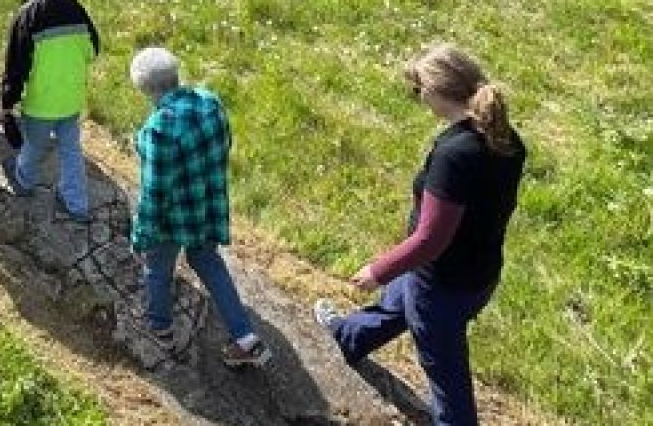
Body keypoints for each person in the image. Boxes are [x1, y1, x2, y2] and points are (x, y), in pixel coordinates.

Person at [314, 44, 526, 426]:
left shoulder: (455, 156)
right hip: (478, 271)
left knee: (447, 382)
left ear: (435, 92)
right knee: (397, 303)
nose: (418, 97)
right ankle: (348, 338)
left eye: (419, 90)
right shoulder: (505, 139)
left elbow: (431, 240)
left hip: (441, 283)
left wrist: (378, 270)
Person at [129, 47, 272, 369]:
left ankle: (159, 327)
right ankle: (246, 339)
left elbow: (153, 194)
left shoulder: (159, 129)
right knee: (209, 262)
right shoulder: (210, 101)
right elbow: (224, 145)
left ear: (146, 88)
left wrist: (140, 237)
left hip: (172, 216)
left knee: (157, 268)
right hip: (207, 203)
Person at [0, 0, 99, 222]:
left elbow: (15, 67)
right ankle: (76, 204)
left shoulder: (28, 14)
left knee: (33, 146)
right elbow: (93, 50)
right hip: (71, 98)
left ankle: (24, 181)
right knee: (71, 151)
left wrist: (6, 104)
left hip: (41, 102)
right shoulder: (76, 8)